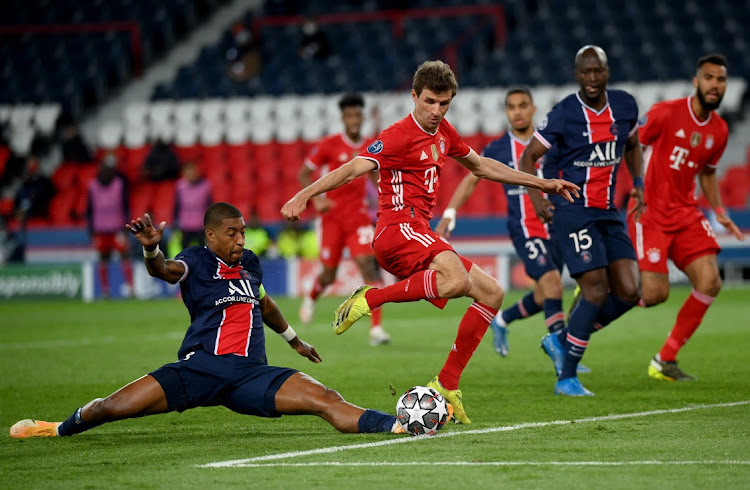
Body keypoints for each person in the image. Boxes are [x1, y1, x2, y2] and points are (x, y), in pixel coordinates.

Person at [282, 60, 580, 423]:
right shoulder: (396, 135)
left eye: (444, 104)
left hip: (419, 230)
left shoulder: (445, 133)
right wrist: (304, 195)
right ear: (414, 96)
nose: (437, 111)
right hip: (395, 228)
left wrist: (542, 183)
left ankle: (447, 383)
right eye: (429, 102)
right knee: (454, 279)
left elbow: (483, 166)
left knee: (492, 293)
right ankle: (371, 297)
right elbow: (350, 169)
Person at [9, 202, 421, 439]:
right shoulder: (195, 260)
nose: (240, 239)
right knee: (114, 407)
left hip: (249, 375)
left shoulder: (250, 266)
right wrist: (152, 251)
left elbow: (266, 305)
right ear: (210, 235)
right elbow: (162, 271)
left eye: (242, 232)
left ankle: (399, 426)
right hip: (200, 367)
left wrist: (294, 341)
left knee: (326, 398)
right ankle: (57, 428)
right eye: (231, 232)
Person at [435, 87, 589, 376]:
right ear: (506, 112)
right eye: (511, 107)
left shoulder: (550, 143)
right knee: (554, 283)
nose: (517, 111)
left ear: (533, 109)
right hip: (524, 228)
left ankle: (503, 319)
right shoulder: (498, 149)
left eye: (522, 106)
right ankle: (563, 354)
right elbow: (471, 180)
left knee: (545, 294)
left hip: (556, 226)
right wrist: (450, 213)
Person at [520, 45, 644, 396]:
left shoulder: (625, 106)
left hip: (608, 212)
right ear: (576, 75)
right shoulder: (563, 114)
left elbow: (633, 146)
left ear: (607, 72)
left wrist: (638, 184)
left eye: (598, 71)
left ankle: (562, 340)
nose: (592, 78)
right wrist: (538, 197)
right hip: (573, 210)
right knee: (594, 287)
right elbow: (529, 158)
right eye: (585, 72)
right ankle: (566, 378)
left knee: (631, 290)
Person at [626, 54, 745, 381]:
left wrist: (720, 211)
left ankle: (664, 360)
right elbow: (632, 143)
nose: (715, 85)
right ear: (697, 81)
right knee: (653, 295)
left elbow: (707, 172)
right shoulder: (666, 113)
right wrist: (634, 186)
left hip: (685, 213)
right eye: (709, 78)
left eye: (720, 80)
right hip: (649, 210)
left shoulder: (719, 130)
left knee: (710, 281)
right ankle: (602, 296)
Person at [297, 92, 391, 346]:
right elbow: (304, 174)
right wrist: (317, 200)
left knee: (367, 265)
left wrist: (385, 199)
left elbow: (376, 177)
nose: (354, 119)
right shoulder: (329, 145)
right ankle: (313, 295)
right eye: (349, 115)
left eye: (357, 114)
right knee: (329, 274)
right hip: (332, 219)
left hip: (358, 218)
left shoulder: (371, 145)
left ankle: (377, 329)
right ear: (343, 118)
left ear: (362, 116)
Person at [87, 153, 133, 298]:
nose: (108, 171)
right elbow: (89, 209)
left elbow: (126, 207)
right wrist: (90, 229)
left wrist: (126, 227)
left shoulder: (119, 184)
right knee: (103, 259)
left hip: (117, 228)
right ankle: (105, 291)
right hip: (100, 229)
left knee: (124, 257)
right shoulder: (93, 186)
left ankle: (131, 288)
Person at [174, 161, 212, 250]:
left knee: (202, 251)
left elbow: (210, 204)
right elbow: (177, 205)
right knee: (184, 251)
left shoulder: (206, 186)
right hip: (185, 224)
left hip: (200, 224)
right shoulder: (180, 186)